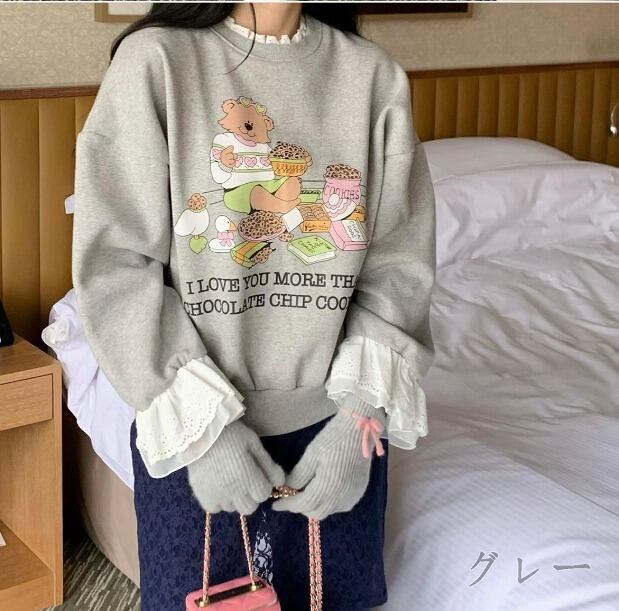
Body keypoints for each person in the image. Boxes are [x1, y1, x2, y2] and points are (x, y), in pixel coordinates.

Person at [72, 3, 436, 610]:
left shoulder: (373, 77)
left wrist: (360, 419)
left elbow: (398, 267)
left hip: (339, 434)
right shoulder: (155, 62)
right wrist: (206, 434)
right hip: (197, 438)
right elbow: (116, 268)